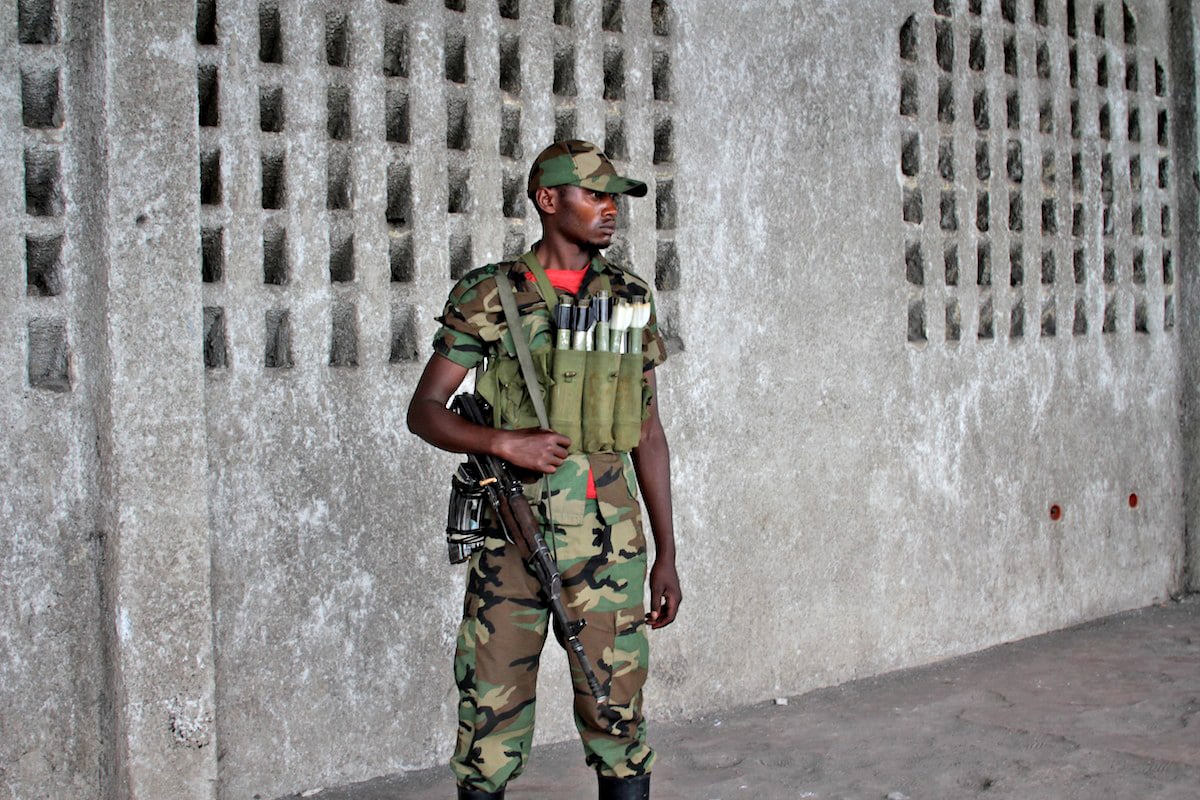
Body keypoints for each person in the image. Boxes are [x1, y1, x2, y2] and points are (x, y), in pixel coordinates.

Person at [407, 140, 681, 800]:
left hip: (610, 550)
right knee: (489, 730)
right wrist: (504, 443)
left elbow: (647, 432)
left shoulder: (627, 298)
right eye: (596, 194)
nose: (611, 209)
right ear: (548, 200)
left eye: (616, 197)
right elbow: (425, 411)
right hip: (511, 545)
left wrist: (667, 555)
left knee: (619, 725)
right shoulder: (489, 295)